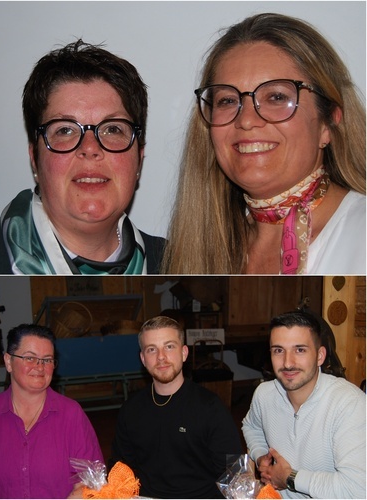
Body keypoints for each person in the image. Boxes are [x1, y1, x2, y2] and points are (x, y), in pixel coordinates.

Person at [165, 13, 366, 274]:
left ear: (328, 124)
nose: (246, 120)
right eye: (227, 100)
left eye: (276, 96)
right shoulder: (202, 251)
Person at [0, 40, 165, 275]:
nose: (90, 148)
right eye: (65, 130)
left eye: (113, 129)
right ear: (35, 158)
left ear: (139, 159)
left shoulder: (178, 261)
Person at [111, 316, 242, 498]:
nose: (161, 357)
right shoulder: (131, 409)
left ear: (184, 353)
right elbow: (120, 466)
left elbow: (233, 472)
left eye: (169, 346)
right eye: (151, 350)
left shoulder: (210, 407)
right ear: (143, 358)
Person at [0, 324, 102, 499]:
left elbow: (89, 485)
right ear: (8, 362)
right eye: (30, 358)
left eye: (47, 360)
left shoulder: (71, 414)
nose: (40, 367)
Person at [242, 310, 366, 498]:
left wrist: (290, 478)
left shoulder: (349, 404)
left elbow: (357, 490)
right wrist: (261, 457)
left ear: (320, 356)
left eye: (300, 350)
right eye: (278, 350)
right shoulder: (264, 394)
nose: (288, 363)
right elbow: (251, 426)